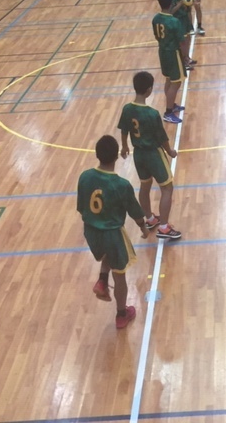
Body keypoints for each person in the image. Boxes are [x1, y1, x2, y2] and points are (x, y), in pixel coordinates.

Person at [76, 134, 149, 329]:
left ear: (97, 154)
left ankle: (102, 280)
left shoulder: (84, 177)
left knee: (106, 253)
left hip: (91, 232)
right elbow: (135, 211)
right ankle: (122, 314)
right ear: (116, 156)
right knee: (120, 274)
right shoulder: (121, 185)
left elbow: (81, 208)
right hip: (112, 235)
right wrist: (143, 227)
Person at [118, 71, 182, 240]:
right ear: (149, 90)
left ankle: (150, 219)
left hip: (138, 154)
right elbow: (162, 138)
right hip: (153, 154)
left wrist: (124, 147)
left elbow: (124, 129)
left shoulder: (127, 109)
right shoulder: (151, 114)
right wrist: (170, 151)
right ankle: (164, 228)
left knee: (144, 186)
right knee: (167, 188)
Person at [152, 0, 187, 123]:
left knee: (168, 79)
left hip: (162, 51)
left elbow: (156, 36)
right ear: (172, 3)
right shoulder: (174, 21)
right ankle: (168, 112)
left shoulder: (156, 18)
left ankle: (171, 105)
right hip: (173, 53)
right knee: (176, 82)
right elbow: (182, 42)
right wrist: (185, 57)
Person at [171, 0, 196, 70]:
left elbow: (189, 8)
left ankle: (187, 57)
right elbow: (172, 11)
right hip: (179, 20)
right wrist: (180, 4)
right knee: (182, 42)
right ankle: (183, 61)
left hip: (186, 19)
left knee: (188, 39)